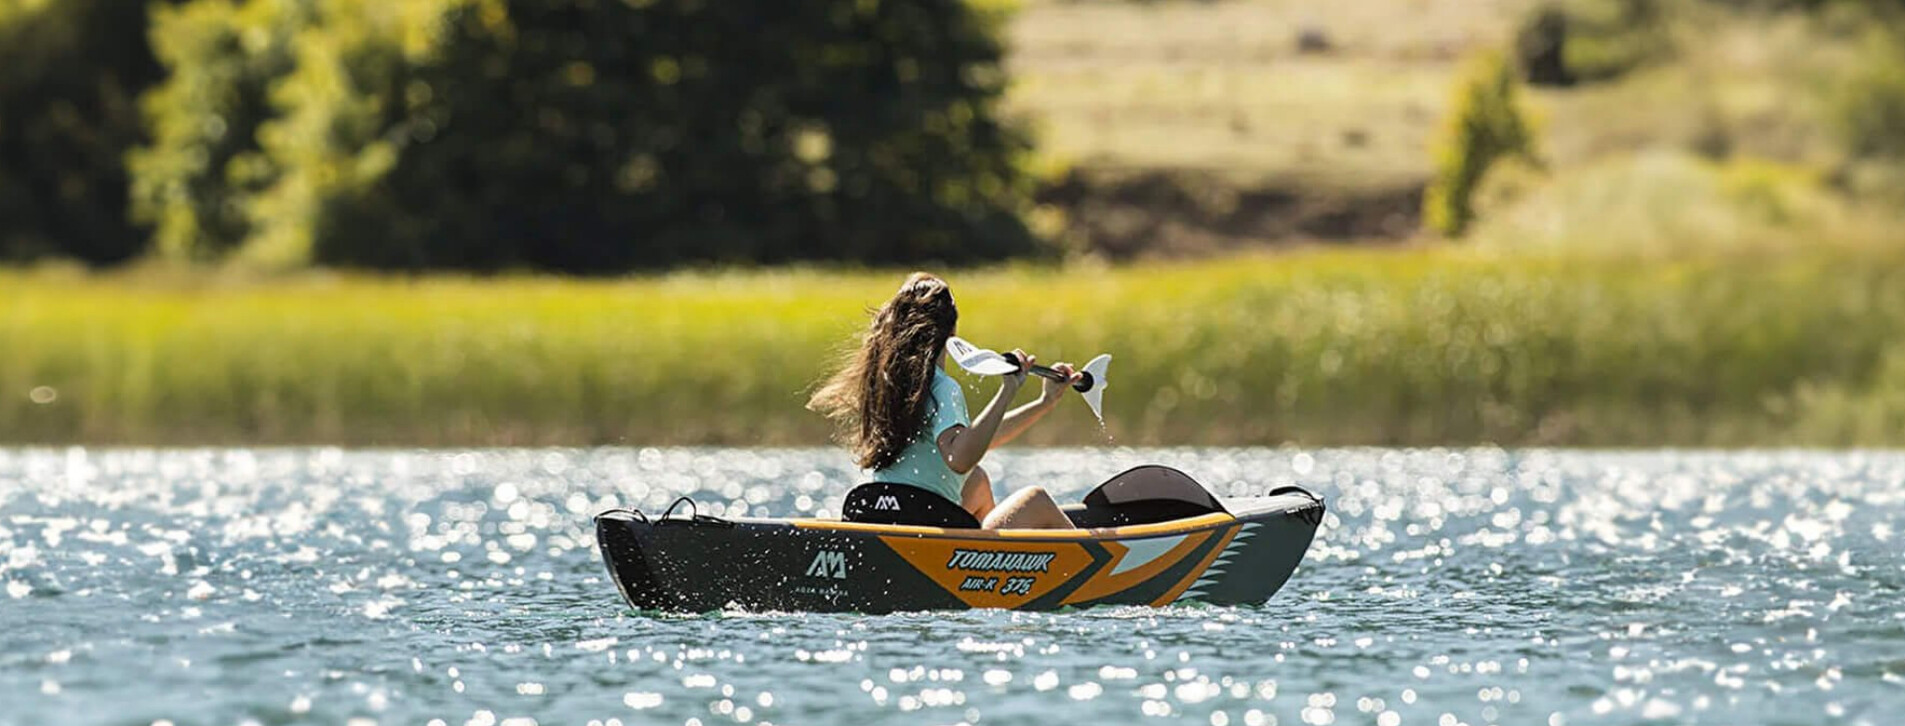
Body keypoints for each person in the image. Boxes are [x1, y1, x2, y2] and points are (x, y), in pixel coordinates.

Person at [808, 272, 1080, 529]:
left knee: (977, 481)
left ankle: (990, 569)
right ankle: (987, 567)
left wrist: (1044, 402)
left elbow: (976, 441)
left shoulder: (890, 386)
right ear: (952, 332)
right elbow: (959, 458)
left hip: (882, 512)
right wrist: (1008, 390)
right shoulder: (943, 388)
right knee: (1037, 500)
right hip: (924, 523)